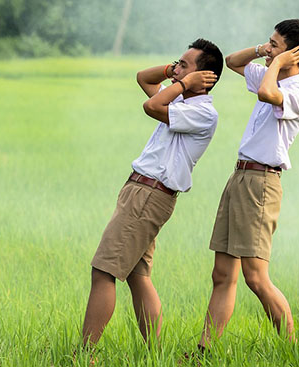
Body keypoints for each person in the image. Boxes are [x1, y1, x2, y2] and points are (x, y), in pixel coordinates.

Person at [81, 39, 223, 347]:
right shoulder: (181, 101)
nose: (175, 71)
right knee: (137, 275)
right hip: (142, 191)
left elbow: (151, 106)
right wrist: (176, 72)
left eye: (184, 65)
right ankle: (155, 353)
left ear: (204, 77)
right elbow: (143, 78)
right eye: (177, 64)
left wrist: (183, 82)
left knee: (103, 271)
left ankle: (83, 355)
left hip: (149, 194)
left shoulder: (202, 113)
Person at [197, 19, 299, 351]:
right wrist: (266, 52)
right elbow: (233, 62)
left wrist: (277, 62)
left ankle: (292, 350)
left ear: (293, 54)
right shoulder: (270, 72)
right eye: (269, 43)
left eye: (275, 44)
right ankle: (205, 352)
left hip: (262, 182)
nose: (267, 49)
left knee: (256, 277)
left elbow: (266, 92)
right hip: (240, 177)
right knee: (222, 274)